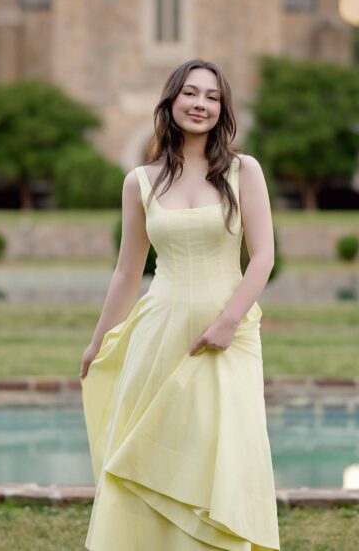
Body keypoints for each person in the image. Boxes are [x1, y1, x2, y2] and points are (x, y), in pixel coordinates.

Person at [79, 59, 281, 550]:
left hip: (230, 338)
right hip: (160, 332)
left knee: (226, 450)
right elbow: (129, 271)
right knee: (156, 452)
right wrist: (98, 340)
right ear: (171, 102)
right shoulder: (140, 182)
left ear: (222, 109)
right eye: (191, 94)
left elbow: (263, 257)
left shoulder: (243, 171)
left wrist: (229, 322)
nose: (200, 104)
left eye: (212, 97)